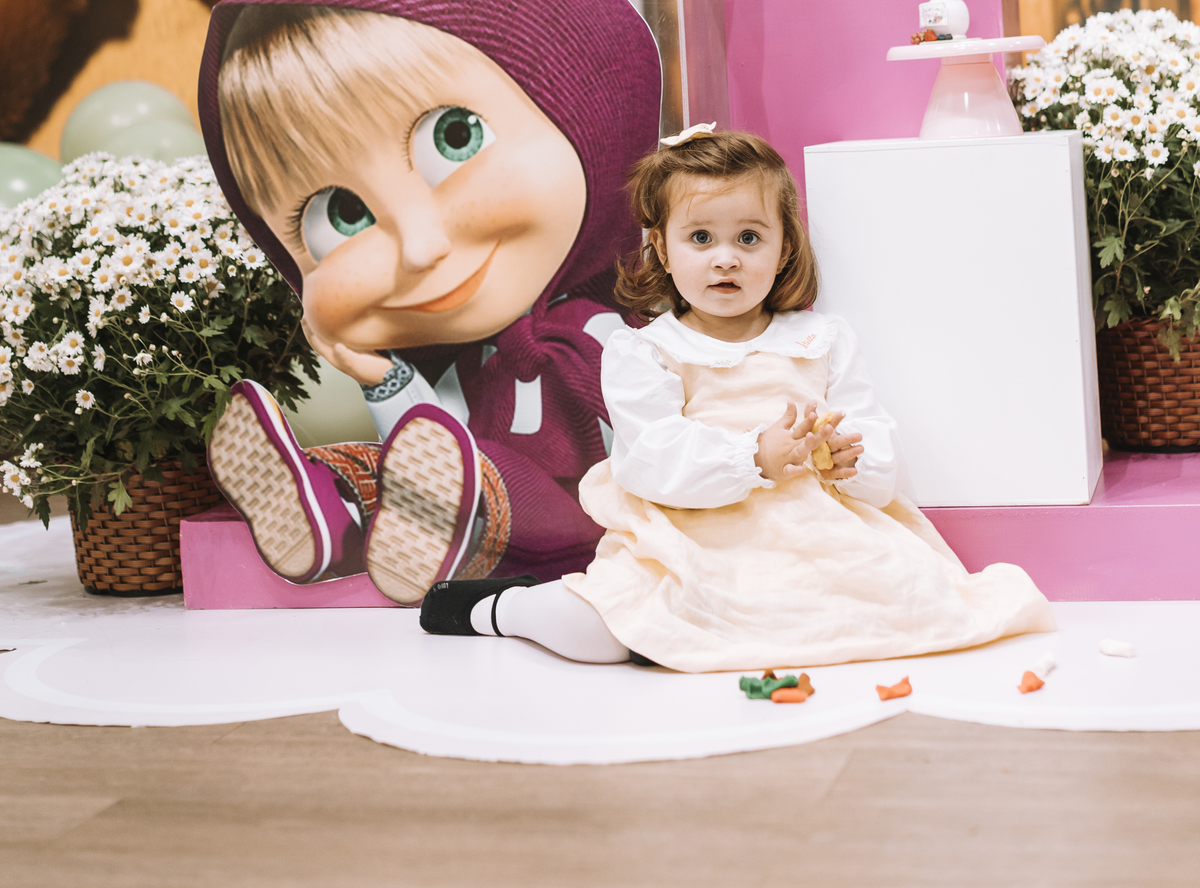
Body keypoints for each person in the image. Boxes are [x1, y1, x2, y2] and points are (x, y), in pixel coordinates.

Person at [420, 128, 1055, 670]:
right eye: (701, 238)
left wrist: (848, 457)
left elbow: (875, 437)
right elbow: (651, 457)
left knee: (909, 597)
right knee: (601, 636)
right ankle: (502, 606)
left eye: (749, 238)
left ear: (783, 249)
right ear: (662, 248)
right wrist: (753, 456)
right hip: (692, 531)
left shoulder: (821, 339)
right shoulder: (646, 350)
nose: (725, 260)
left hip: (815, 526)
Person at [197, 0, 662, 604]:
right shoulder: (457, 365)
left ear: (588, 103)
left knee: (475, 477)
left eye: (455, 138)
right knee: (395, 464)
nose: (418, 247)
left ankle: (451, 513)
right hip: (453, 483)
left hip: (582, 514)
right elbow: (425, 435)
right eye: (341, 215)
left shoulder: (609, 339)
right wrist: (377, 375)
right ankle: (324, 506)